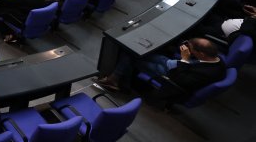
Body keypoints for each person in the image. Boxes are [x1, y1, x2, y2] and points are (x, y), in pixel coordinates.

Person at [95, 38, 226, 99]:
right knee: (138, 50)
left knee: (132, 55)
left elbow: (181, 81)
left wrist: (185, 59)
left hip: (171, 77)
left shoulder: (208, 73)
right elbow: (193, 64)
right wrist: (184, 59)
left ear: (201, 54)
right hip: (176, 64)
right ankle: (117, 79)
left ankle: (117, 81)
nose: (188, 49)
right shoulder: (215, 58)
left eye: (191, 49)